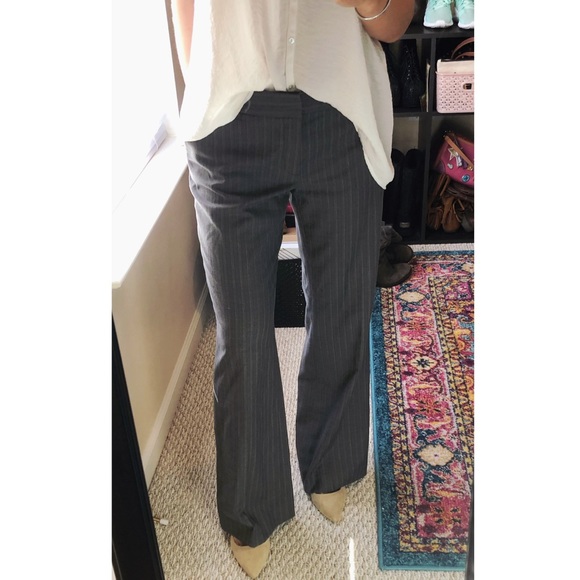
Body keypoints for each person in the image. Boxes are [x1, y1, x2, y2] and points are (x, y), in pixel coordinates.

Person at [171, 0, 414, 576]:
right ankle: (251, 505)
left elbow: (395, 22)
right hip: (228, 112)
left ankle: (331, 463)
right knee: (243, 332)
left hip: (341, 112)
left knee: (342, 305)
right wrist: (202, 85)